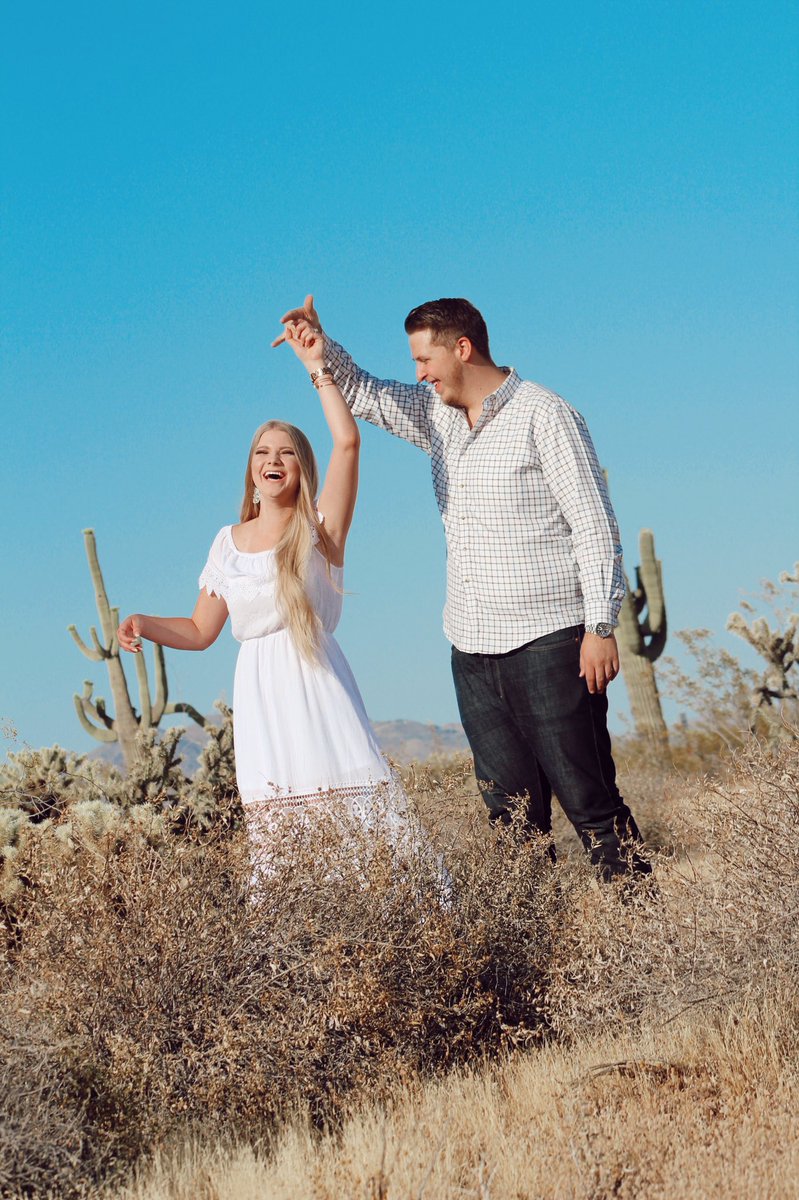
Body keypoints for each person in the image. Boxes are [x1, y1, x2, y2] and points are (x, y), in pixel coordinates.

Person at [274, 295, 650, 880]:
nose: (419, 374)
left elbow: (594, 525)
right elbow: (369, 394)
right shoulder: (439, 417)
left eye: (425, 360)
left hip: (551, 642)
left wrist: (601, 626)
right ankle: (540, 958)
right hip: (473, 650)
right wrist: (320, 354)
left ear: (462, 348)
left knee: (592, 805)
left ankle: (645, 943)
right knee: (512, 823)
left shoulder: (544, 414)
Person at [117, 321, 408, 850]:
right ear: (251, 471)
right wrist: (144, 623)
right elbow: (201, 629)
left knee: (356, 813)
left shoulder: (321, 532)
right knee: (282, 832)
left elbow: (348, 443)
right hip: (259, 696)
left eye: (286, 452)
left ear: (301, 467)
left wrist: (317, 367)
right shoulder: (226, 542)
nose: (273, 460)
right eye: (262, 453)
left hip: (317, 686)